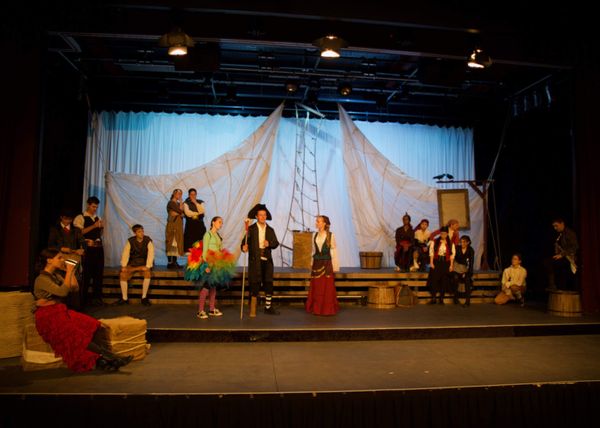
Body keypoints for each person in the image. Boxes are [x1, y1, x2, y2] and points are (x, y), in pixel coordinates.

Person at [33, 248, 132, 372]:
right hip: (48, 316)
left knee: (93, 324)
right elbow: (63, 292)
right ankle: (112, 357)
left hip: (59, 310)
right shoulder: (42, 279)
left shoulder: (55, 275)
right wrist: (69, 272)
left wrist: (70, 272)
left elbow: (74, 288)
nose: (62, 260)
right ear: (49, 260)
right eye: (59, 258)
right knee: (77, 336)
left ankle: (103, 360)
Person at [190, 216, 235, 319]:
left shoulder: (217, 235)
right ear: (213, 222)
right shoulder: (208, 235)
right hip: (209, 263)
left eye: (222, 222)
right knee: (206, 286)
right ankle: (200, 311)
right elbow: (204, 251)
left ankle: (211, 309)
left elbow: (219, 249)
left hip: (217, 264)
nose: (221, 224)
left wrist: (222, 261)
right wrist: (205, 265)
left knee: (213, 286)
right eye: (219, 222)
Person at [241, 203, 280, 317]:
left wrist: (269, 243)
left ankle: (268, 307)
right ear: (256, 216)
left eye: (264, 215)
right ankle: (253, 308)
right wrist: (244, 247)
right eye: (260, 215)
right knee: (255, 283)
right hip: (255, 261)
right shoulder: (251, 229)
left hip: (267, 261)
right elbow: (244, 242)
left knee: (268, 282)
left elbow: (276, 243)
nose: (263, 217)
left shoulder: (270, 230)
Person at [47, 208, 86, 309]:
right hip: (60, 259)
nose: (67, 221)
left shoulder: (76, 230)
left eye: (69, 219)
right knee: (63, 280)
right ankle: (63, 306)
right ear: (61, 218)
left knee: (74, 280)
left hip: (73, 258)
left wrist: (82, 249)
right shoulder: (55, 229)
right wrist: (61, 248)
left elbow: (83, 243)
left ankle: (75, 307)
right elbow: (50, 245)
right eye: (65, 219)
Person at [73, 196, 105, 307]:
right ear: (88, 205)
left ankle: (97, 298)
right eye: (93, 206)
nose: (95, 209)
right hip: (88, 249)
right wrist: (94, 226)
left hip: (98, 248)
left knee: (98, 274)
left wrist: (101, 228)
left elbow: (99, 233)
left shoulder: (97, 217)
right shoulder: (80, 217)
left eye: (96, 207)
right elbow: (79, 233)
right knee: (86, 274)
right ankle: (83, 300)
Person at [305, 215, 340, 316]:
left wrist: (335, 266)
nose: (316, 223)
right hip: (317, 264)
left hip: (326, 264)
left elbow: (333, 251)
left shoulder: (330, 235)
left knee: (327, 287)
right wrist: (311, 263)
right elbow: (313, 250)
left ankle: (326, 309)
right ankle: (316, 308)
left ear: (324, 223)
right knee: (317, 287)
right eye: (316, 221)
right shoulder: (314, 235)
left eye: (319, 221)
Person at [116, 224, 155, 305]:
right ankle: (124, 298)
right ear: (135, 233)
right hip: (133, 263)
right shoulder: (130, 241)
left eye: (142, 231)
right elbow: (125, 253)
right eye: (139, 232)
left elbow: (151, 254)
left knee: (147, 273)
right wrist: (124, 266)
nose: (142, 233)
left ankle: (144, 298)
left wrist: (148, 266)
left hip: (144, 263)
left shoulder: (147, 240)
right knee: (123, 274)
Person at [545, 218, 578, 290]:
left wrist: (562, 255)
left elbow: (574, 247)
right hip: (565, 256)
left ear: (562, 223)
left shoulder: (569, 233)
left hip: (571, 259)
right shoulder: (561, 234)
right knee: (550, 263)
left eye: (556, 226)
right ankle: (556, 286)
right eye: (554, 226)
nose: (555, 228)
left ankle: (553, 285)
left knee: (549, 263)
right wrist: (558, 252)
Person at [427, 226, 455, 304]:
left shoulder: (450, 243)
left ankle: (441, 298)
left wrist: (451, 265)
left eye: (445, 234)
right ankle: (433, 298)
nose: (443, 235)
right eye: (442, 234)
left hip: (446, 263)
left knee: (444, 280)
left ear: (447, 234)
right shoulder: (435, 241)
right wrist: (431, 263)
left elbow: (452, 256)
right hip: (436, 262)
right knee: (434, 279)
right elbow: (431, 253)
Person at [452, 235, 474, 307]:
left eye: (464, 242)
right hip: (456, 267)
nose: (462, 243)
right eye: (461, 242)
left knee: (467, 280)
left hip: (465, 269)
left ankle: (467, 301)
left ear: (468, 242)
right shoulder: (457, 248)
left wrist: (467, 273)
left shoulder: (470, 250)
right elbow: (453, 258)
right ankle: (455, 298)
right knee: (455, 278)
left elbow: (471, 263)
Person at [166, 188, 184, 269]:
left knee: (176, 244)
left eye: (181, 194)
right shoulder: (171, 203)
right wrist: (180, 212)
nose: (179, 195)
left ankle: (174, 262)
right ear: (174, 193)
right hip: (172, 225)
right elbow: (180, 211)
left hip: (178, 226)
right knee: (171, 242)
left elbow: (182, 213)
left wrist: (180, 204)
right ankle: (170, 263)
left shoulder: (178, 203)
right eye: (178, 193)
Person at [183, 188, 206, 252]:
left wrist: (195, 203)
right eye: (191, 194)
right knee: (190, 244)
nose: (193, 196)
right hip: (190, 226)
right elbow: (188, 213)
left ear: (196, 195)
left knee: (200, 243)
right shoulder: (186, 203)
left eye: (194, 194)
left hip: (200, 226)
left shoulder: (201, 202)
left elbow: (202, 211)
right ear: (189, 195)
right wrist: (198, 213)